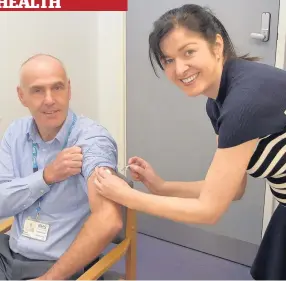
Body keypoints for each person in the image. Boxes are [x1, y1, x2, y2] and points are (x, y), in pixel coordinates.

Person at [93, 4, 286, 280]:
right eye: (168, 60)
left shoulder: (245, 102)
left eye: (189, 52)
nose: (180, 68)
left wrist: (127, 197)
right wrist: (161, 187)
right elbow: (233, 190)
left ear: (217, 45)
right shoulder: (217, 103)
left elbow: (209, 211)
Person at [0, 54, 122, 280]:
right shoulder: (15, 133)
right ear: (21, 95)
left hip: (58, 265)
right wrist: (45, 176)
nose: (50, 99)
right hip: (8, 254)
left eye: (57, 88)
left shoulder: (92, 140)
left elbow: (108, 219)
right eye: (37, 90)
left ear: (69, 89)